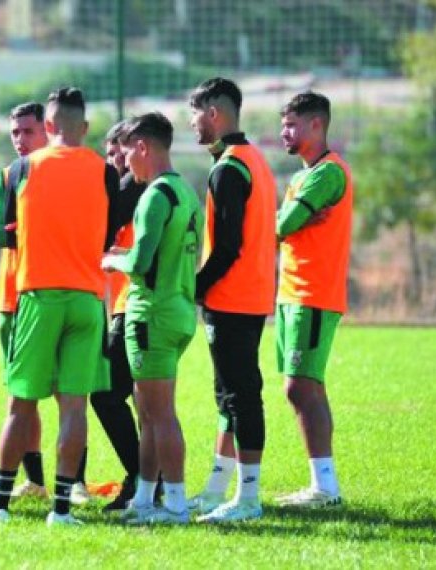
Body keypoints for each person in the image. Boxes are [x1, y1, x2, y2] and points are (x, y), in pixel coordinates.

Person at [0, 87, 120, 526]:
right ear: (85, 127)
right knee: (74, 407)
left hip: (38, 296)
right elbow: (108, 235)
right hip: (87, 298)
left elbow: (4, 232)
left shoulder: (22, 168)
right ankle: (61, 508)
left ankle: (0, 505)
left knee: (21, 405)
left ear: (46, 126)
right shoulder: (105, 173)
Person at [102, 112, 202, 525]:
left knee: (159, 414)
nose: (125, 163)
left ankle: (175, 504)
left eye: (127, 152)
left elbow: (142, 260)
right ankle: (144, 498)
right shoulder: (187, 192)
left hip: (151, 314)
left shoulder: (154, 195)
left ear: (143, 146)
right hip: (178, 309)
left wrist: (111, 259)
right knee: (147, 411)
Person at [185, 77, 277, 523]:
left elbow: (227, 248)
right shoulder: (252, 158)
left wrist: (195, 288)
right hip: (251, 294)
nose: (192, 123)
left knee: (241, 396)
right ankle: (218, 490)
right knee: (229, 395)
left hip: (234, 298)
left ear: (215, 114)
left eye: (196, 114)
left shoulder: (229, 169)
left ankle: (249, 499)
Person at [275, 91, 352, 508]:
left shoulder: (328, 173)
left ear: (316, 125)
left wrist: (280, 225)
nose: (283, 133)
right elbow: (283, 226)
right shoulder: (301, 177)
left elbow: (282, 226)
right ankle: (323, 486)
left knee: (300, 387)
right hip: (291, 294)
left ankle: (325, 488)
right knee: (304, 388)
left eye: (291, 125)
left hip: (314, 294)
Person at [0, 102, 50, 500]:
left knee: (71, 393)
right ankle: (38, 481)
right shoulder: (5, 177)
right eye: (15, 132)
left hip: (57, 293)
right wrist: (33, 229)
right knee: (22, 394)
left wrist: (20, 227)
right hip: (11, 298)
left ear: (48, 130)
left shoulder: (67, 175)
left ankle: (71, 483)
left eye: (28, 131)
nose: (20, 140)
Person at [94, 120, 148, 512]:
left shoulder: (131, 187)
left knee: (108, 394)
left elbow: (100, 232)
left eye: (118, 153)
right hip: (128, 304)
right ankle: (148, 481)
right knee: (140, 400)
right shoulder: (138, 186)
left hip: (135, 306)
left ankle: (145, 479)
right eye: (110, 155)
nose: (114, 162)